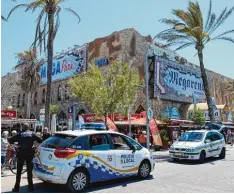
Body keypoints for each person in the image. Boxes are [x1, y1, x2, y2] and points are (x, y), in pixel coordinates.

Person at [8, 123, 42, 192]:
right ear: (28, 128)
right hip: (29, 153)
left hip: (21, 154)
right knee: (29, 171)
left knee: (19, 171)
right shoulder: (32, 134)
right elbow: (40, 140)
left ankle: (16, 187)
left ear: (23, 128)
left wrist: (16, 145)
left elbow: (10, 140)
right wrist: (35, 147)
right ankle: (31, 186)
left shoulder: (19, 134)